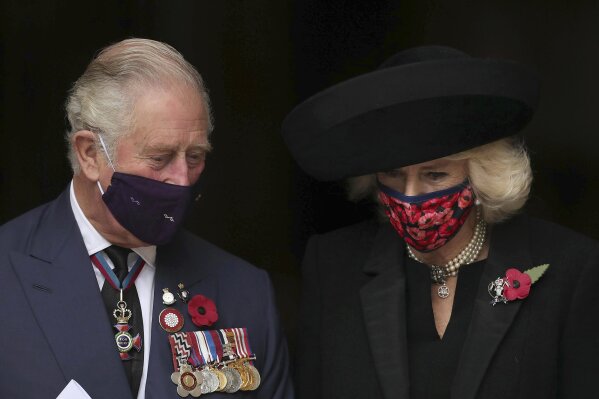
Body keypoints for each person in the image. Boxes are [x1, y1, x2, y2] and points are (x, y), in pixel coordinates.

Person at [281, 45, 599, 398]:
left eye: (434, 175)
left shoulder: (571, 270)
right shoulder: (333, 265)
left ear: (482, 175)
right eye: (393, 175)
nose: (411, 193)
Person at [0, 38, 293, 399]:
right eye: (160, 157)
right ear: (91, 153)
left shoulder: (245, 293)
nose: (182, 180)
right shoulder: (7, 272)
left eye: (195, 156)